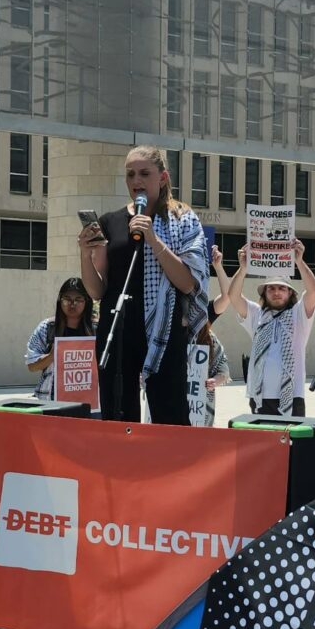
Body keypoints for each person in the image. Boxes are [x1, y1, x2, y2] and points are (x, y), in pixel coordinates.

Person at [77, 145, 208, 424]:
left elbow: (188, 284)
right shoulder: (110, 222)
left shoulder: (182, 218)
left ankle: (169, 467)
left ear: (162, 177)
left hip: (164, 328)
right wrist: (84, 252)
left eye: (144, 173)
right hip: (118, 328)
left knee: (169, 415)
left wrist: (152, 237)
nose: (136, 181)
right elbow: (97, 290)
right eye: (130, 174)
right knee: (117, 415)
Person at [228, 240, 315, 416]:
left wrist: (299, 261)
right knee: (263, 444)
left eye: (282, 288)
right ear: (264, 293)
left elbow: (313, 291)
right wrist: (243, 269)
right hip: (260, 397)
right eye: (271, 288)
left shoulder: (298, 314)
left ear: (290, 292)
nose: (276, 292)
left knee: (291, 444)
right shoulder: (256, 314)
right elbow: (233, 296)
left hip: (292, 396)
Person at [25, 277, 95, 401]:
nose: (72, 304)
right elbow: (32, 366)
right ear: (60, 301)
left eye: (78, 300)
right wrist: (52, 356)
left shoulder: (96, 331)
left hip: (86, 402)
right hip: (51, 401)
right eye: (67, 299)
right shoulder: (46, 328)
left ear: (87, 302)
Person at [195, 320, 231, 426]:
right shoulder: (167, 335)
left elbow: (224, 371)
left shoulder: (209, 338)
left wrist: (215, 381)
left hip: (200, 406)